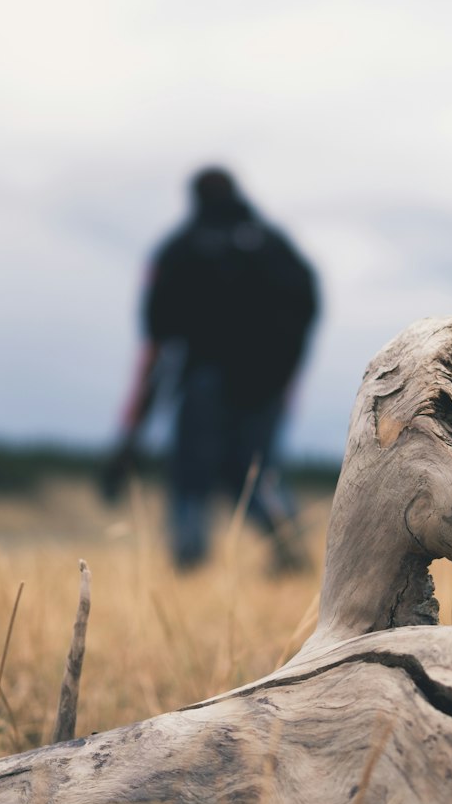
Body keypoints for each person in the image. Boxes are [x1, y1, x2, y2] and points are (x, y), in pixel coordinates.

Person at [101, 167, 319, 573]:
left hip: (205, 380)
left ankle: (189, 559)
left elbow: (154, 344)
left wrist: (132, 426)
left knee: (190, 474)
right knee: (256, 474)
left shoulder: (180, 248)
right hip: (267, 382)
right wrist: (288, 383)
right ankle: (289, 551)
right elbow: (306, 309)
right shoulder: (274, 246)